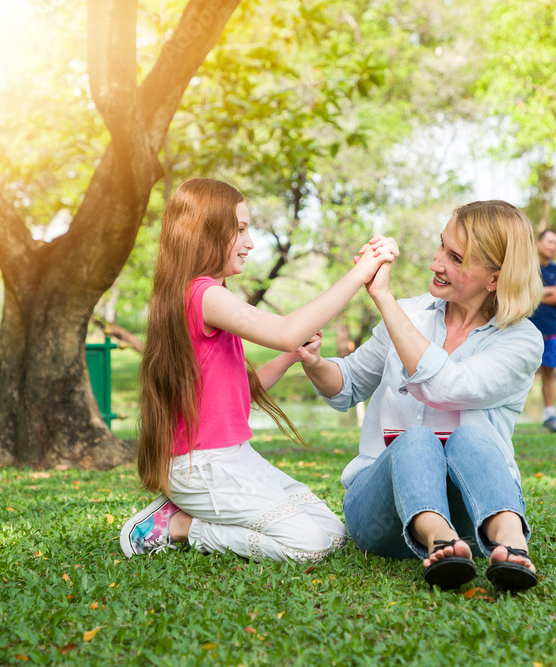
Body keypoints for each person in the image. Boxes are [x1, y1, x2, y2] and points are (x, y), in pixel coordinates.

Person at [120, 177, 398, 564]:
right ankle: (179, 526)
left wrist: (292, 356)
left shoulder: (211, 295)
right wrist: (361, 273)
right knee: (309, 547)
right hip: (203, 466)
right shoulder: (202, 294)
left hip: (237, 457)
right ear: (204, 232)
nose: (250, 243)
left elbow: (243, 391)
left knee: (333, 535)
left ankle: (191, 514)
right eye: (240, 229)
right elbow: (285, 331)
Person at [296, 200, 544, 592]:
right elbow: (345, 386)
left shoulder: (521, 340)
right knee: (415, 439)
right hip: (380, 516)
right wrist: (313, 362)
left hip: (472, 517)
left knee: (474, 438)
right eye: (441, 246)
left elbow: (446, 387)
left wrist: (385, 300)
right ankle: (437, 536)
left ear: (494, 279)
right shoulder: (410, 314)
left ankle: (510, 539)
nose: (436, 263)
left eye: (455, 257)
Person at [528, 229, 556, 433]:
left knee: (549, 373)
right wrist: (549, 290)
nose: (553, 246)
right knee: (519, 371)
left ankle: (550, 415)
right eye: (550, 241)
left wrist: (536, 294)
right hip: (526, 328)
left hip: (551, 329)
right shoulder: (527, 267)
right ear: (538, 242)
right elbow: (523, 293)